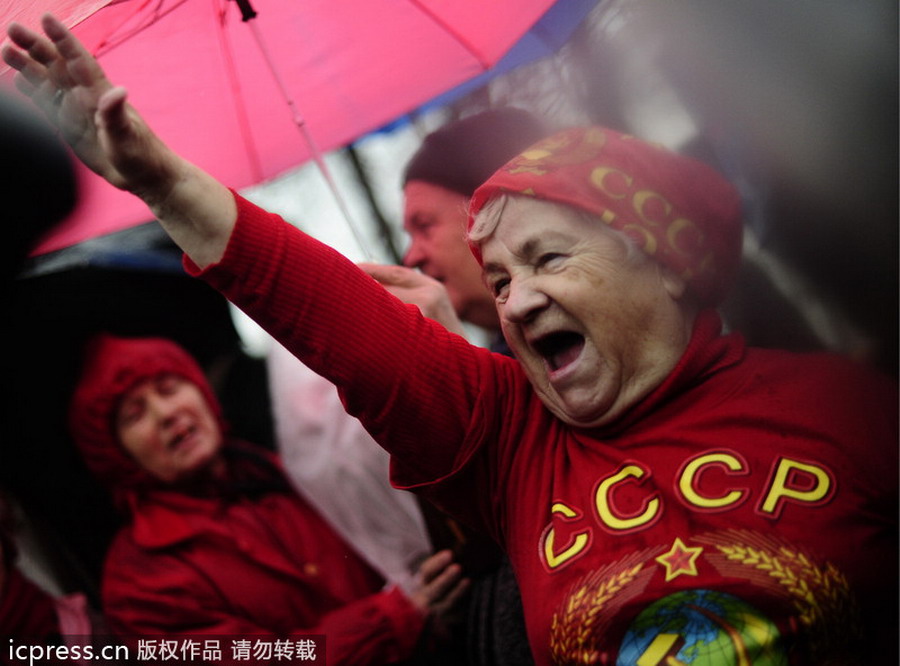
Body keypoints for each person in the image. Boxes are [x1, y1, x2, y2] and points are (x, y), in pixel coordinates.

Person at [5, 16, 897, 665]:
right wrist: (160, 180)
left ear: (662, 258)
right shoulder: (512, 435)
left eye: (548, 257)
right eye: (501, 279)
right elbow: (312, 302)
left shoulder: (852, 408)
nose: (519, 298)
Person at [66, 333, 468, 665]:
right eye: (135, 414)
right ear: (118, 455)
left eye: (169, 388)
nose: (166, 413)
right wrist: (395, 620)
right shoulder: (139, 578)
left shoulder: (288, 471)